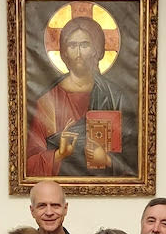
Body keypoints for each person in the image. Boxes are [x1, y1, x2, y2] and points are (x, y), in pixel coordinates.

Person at [26, 17, 135, 177]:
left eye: (84, 45)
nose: (78, 53)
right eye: (72, 45)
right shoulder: (48, 101)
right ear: (64, 52)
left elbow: (133, 161)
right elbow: (30, 164)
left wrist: (107, 160)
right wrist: (58, 155)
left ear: (96, 50)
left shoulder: (115, 97)